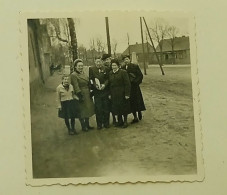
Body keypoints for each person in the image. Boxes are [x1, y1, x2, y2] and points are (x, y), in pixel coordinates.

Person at [70, 59, 95, 132]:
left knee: (87, 109)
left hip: (87, 93)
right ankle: (83, 126)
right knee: (81, 110)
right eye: (79, 66)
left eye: (81, 66)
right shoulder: (74, 75)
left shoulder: (84, 73)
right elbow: (76, 86)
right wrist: (79, 95)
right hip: (81, 93)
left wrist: (91, 89)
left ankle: (87, 124)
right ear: (75, 67)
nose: (80, 67)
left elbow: (88, 82)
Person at [122, 55, 146, 123]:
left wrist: (135, 82)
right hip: (128, 88)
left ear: (129, 59)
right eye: (124, 60)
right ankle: (135, 117)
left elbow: (140, 76)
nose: (126, 61)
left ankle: (139, 112)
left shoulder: (135, 66)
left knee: (137, 101)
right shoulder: (123, 68)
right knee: (131, 102)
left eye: (127, 59)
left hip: (135, 87)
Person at [109, 59, 131, 128]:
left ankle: (125, 122)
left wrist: (127, 94)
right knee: (117, 107)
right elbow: (110, 84)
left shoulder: (123, 72)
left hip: (122, 92)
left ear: (118, 66)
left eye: (115, 65)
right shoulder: (110, 73)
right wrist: (109, 94)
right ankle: (120, 121)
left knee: (123, 107)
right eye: (112, 65)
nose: (113, 67)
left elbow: (127, 84)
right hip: (114, 93)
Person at [89, 57, 110, 129]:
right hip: (97, 92)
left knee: (106, 108)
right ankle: (99, 124)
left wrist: (104, 85)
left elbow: (108, 79)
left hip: (105, 91)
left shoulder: (106, 69)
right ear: (95, 62)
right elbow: (91, 79)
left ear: (102, 62)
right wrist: (96, 86)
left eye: (99, 62)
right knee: (98, 108)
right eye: (97, 62)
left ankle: (106, 123)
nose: (98, 63)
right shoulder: (91, 69)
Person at [101, 54, 118, 126]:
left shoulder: (113, 67)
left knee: (114, 105)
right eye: (106, 60)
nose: (107, 61)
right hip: (106, 89)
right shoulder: (103, 68)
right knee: (107, 106)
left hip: (113, 88)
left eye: (108, 59)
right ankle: (106, 121)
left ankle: (115, 119)